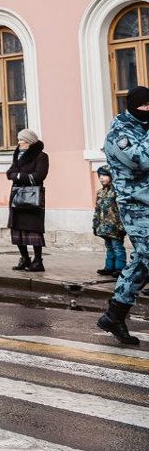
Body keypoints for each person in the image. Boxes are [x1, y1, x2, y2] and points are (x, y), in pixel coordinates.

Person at [98, 85, 149, 346]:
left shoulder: (144, 128)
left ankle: (114, 316)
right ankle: (114, 316)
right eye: (143, 106)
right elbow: (141, 160)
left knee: (142, 264)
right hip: (136, 206)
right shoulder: (119, 134)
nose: (147, 110)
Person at [6, 128, 49, 272]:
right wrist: (16, 175)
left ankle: (38, 261)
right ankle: (24, 258)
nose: (19, 143)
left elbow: (39, 175)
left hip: (32, 197)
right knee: (17, 228)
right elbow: (10, 172)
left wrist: (18, 176)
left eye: (21, 140)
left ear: (29, 142)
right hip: (17, 196)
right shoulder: (17, 154)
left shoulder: (41, 156)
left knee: (34, 229)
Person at [94, 166, 127, 276]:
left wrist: (122, 226)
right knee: (109, 247)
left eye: (104, 175)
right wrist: (95, 224)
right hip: (104, 227)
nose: (101, 178)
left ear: (111, 176)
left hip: (115, 227)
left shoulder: (117, 191)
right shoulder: (100, 192)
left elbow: (122, 210)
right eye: (100, 176)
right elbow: (97, 210)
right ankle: (109, 267)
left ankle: (120, 268)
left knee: (117, 247)